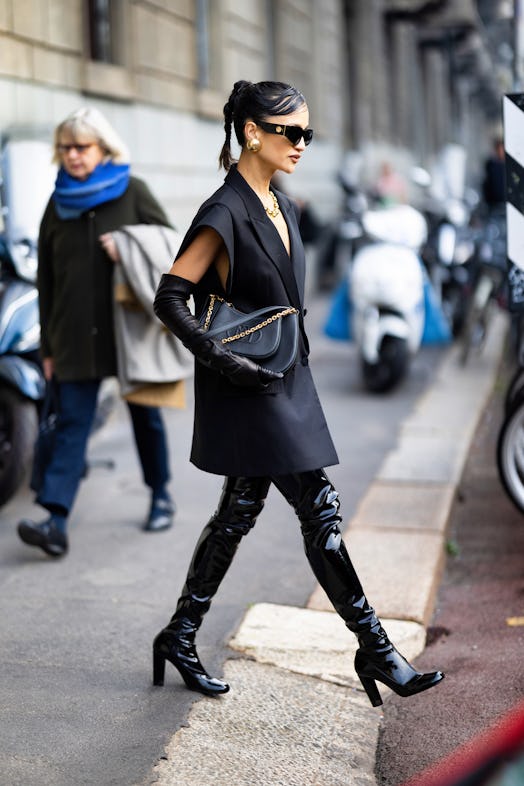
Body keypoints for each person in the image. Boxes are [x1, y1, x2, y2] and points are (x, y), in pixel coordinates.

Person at [152, 80, 445, 707]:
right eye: (292, 132)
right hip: (249, 382)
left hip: (287, 374)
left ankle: (179, 634)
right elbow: (170, 298)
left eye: (308, 133)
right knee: (320, 509)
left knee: (238, 513)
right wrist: (218, 358)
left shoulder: (278, 201)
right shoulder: (225, 209)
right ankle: (376, 648)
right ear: (252, 132)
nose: (303, 144)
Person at [17, 107, 182, 559]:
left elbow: (175, 245)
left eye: (82, 147)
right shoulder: (57, 202)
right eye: (66, 147)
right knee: (72, 423)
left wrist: (129, 241)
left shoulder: (133, 190)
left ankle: (160, 494)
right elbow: (47, 280)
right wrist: (48, 346)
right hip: (72, 334)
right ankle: (55, 519)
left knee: (145, 416)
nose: (73, 155)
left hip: (128, 328)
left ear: (104, 149)